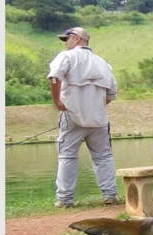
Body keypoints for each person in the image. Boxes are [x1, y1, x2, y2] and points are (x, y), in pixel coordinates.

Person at [46, 27, 119, 208]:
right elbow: (112, 94)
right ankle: (110, 195)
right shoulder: (103, 64)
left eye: (67, 39)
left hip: (72, 115)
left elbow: (54, 78)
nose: (66, 43)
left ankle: (65, 199)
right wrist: (94, 108)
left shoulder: (66, 56)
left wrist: (57, 101)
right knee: (103, 156)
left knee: (67, 156)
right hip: (99, 119)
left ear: (77, 38)